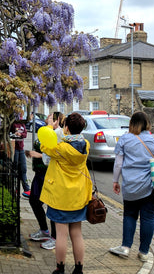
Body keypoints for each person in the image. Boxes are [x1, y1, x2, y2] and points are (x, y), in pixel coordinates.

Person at [109, 110, 154, 262]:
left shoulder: (125, 139)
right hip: (152, 187)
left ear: (132, 124)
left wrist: (115, 181)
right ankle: (144, 252)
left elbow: (118, 164)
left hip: (131, 186)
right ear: (147, 123)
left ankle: (125, 248)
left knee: (130, 215)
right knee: (148, 218)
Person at [40, 112, 93, 274]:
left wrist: (49, 126)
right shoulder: (86, 145)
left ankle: (60, 268)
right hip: (78, 196)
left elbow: (43, 145)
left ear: (66, 127)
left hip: (61, 197)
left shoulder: (60, 148)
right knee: (77, 233)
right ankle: (78, 269)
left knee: (61, 235)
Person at [26, 112, 62, 250]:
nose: (47, 118)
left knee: (51, 204)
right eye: (48, 116)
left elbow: (55, 155)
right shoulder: (47, 131)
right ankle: (44, 230)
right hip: (39, 172)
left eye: (51, 117)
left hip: (49, 174)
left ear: (57, 121)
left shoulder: (58, 134)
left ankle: (55, 238)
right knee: (34, 200)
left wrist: (38, 155)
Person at [10, 116, 31, 197]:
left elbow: (25, 134)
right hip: (14, 148)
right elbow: (10, 134)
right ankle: (15, 188)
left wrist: (20, 134)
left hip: (21, 149)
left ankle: (26, 189)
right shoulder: (13, 124)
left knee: (23, 169)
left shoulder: (22, 125)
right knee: (15, 168)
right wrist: (14, 134)